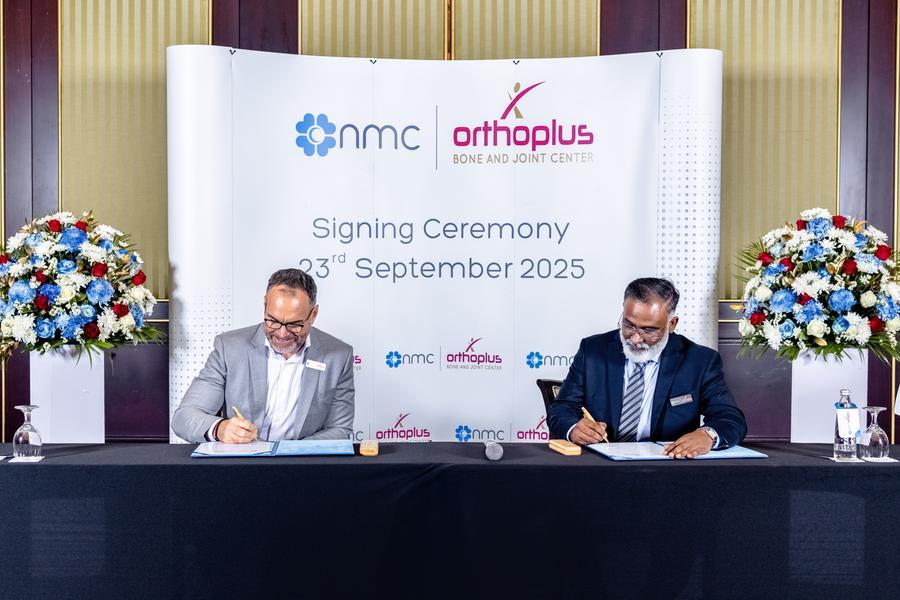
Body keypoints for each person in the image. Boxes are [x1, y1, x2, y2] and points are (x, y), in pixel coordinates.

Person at [548, 277, 746, 457]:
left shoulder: (699, 361)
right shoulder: (592, 351)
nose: (635, 338)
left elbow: (730, 418)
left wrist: (708, 435)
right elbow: (562, 408)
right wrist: (573, 427)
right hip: (600, 465)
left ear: (672, 324)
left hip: (666, 468)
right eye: (628, 325)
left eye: (648, 330)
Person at [172, 268, 354, 443]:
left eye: (294, 325)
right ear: (265, 304)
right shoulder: (229, 348)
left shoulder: (338, 356)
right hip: (240, 461)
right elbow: (184, 417)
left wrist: (293, 451)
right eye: (272, 321)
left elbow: (339, 429)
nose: (282, 334)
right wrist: (219, 429)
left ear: (313, 314)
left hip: (299, 461)